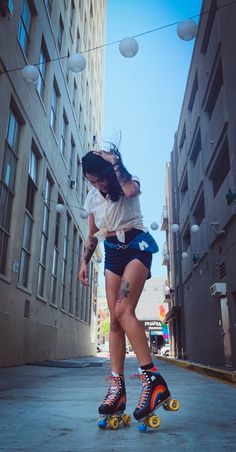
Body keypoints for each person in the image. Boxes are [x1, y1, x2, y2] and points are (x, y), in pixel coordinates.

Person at [78, 145, 171, 426]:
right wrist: (84, 261)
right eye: (92, 182)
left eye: (99, 179)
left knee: (122, 308)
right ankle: (117, 389)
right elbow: (93, 235)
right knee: (116, 322)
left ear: (108, 172)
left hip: (137, 247)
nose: (98, 186)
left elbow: (130, 192)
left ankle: (153, 380)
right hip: (113, 255)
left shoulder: (127, 181)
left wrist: (115, 163)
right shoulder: (93, 197)